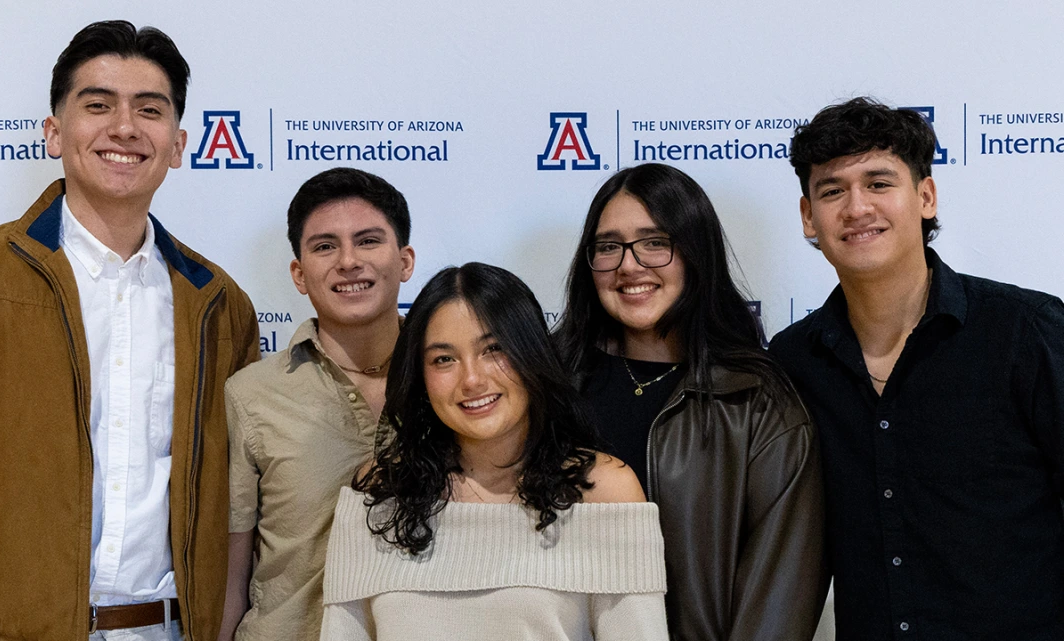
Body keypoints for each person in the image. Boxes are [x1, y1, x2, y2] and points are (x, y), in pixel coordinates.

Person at [0, 20, 260, 641]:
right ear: (55, 132)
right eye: (97, 104)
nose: (125, 127)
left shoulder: (219, 305)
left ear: (179, 142)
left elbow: (245, 505)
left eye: (149, 110)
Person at [769, 96, 1064, 640]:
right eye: (832, 190)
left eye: (879, 183)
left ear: (925, 196)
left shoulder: (1027, 332)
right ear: (809, 216)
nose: (857, 208)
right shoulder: (791, 363)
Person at [320, 263, 669, 641]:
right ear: (419, 375)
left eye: (493, 349)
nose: (472, 379)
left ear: (531, 353)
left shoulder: (604, 491)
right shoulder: (380, 489)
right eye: (444, 359)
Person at [553, 163, 825, 641]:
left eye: (655, 242)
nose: (629, 265)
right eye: (609, 246)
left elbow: (778, 599)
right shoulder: (545, 387)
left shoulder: (758, 402)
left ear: (696, 253)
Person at [218, 168, 415, 641]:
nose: (348, 261)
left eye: (368, 241)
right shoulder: (251, 394)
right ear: (299, 274)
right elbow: (230, 574)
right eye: (325, 246)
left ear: (405, 261)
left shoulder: (456, 386)